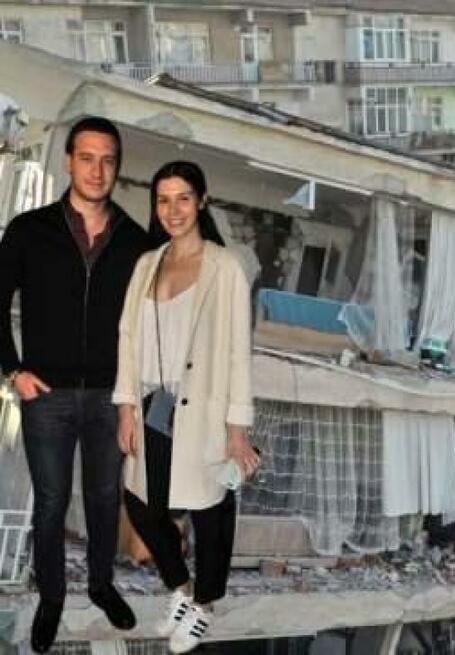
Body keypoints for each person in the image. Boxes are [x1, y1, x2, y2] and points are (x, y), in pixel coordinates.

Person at [0, 117, 151, 652]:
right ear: (69, 160)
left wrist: (134, 396)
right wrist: (13, 369)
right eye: (87, 157)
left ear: (117, 167)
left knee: (106, 498)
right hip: (48, 396)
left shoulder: (135, 240)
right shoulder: (29, 230)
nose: (97, 169)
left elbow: (150, 325)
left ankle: (102, 585)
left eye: (108, 159)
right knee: (51, 502)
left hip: (111, 397)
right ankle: (52, 598)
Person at [113, 161, 260, 653]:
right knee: (140, 501)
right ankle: (180, 589)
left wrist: (238, 428)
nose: (172, 209)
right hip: (156, 401)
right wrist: (127, 407)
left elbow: (240, 349)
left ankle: (205, 606)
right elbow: (128, 338)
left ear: (201, 201)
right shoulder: (147, 264)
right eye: (162, 199)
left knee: (211, 509)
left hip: (208, 408)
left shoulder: (225, 267)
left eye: (182, 198)